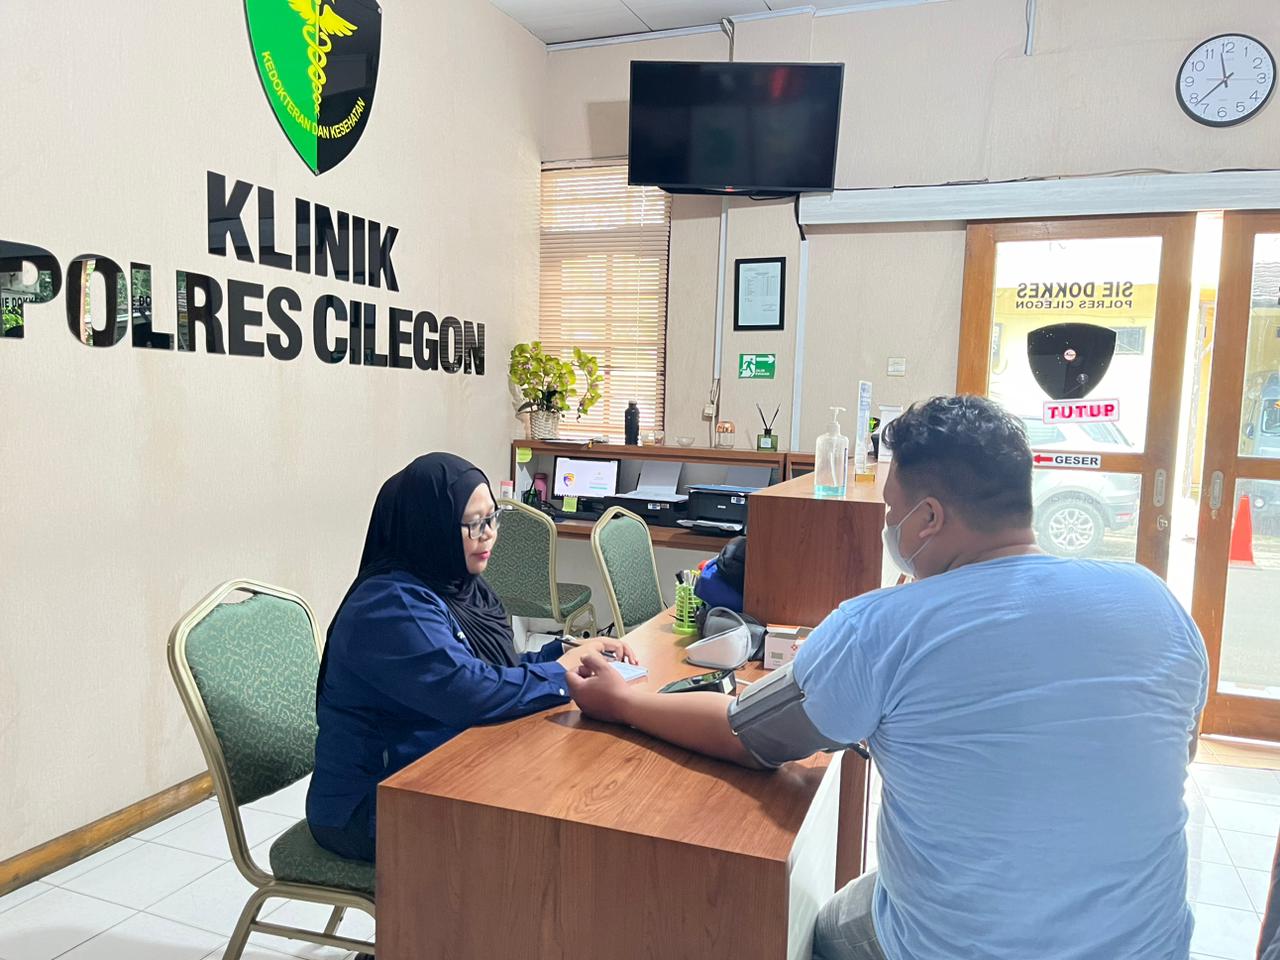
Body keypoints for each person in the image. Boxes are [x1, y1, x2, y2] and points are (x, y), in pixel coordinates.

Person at [567, 395, 1207, 960]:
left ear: (927, 519)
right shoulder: (1154, 600)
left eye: (890, 509)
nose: (886, 527)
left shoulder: (884, 626)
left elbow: (747, 735)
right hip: (1150, 945)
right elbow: (1173, 751)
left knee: (824, 926)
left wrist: (624, 700)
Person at [307, 452, 635, 863]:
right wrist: (561, 675)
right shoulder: (391, 605)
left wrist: (568, 654)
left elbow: (492, 670)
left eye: (492, 518)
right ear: (430, 526)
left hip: (436, 767)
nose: (488, 535)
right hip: (372, 804)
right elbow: (467, 690)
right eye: (473, 524)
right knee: (542, 837)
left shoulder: (459, 585)